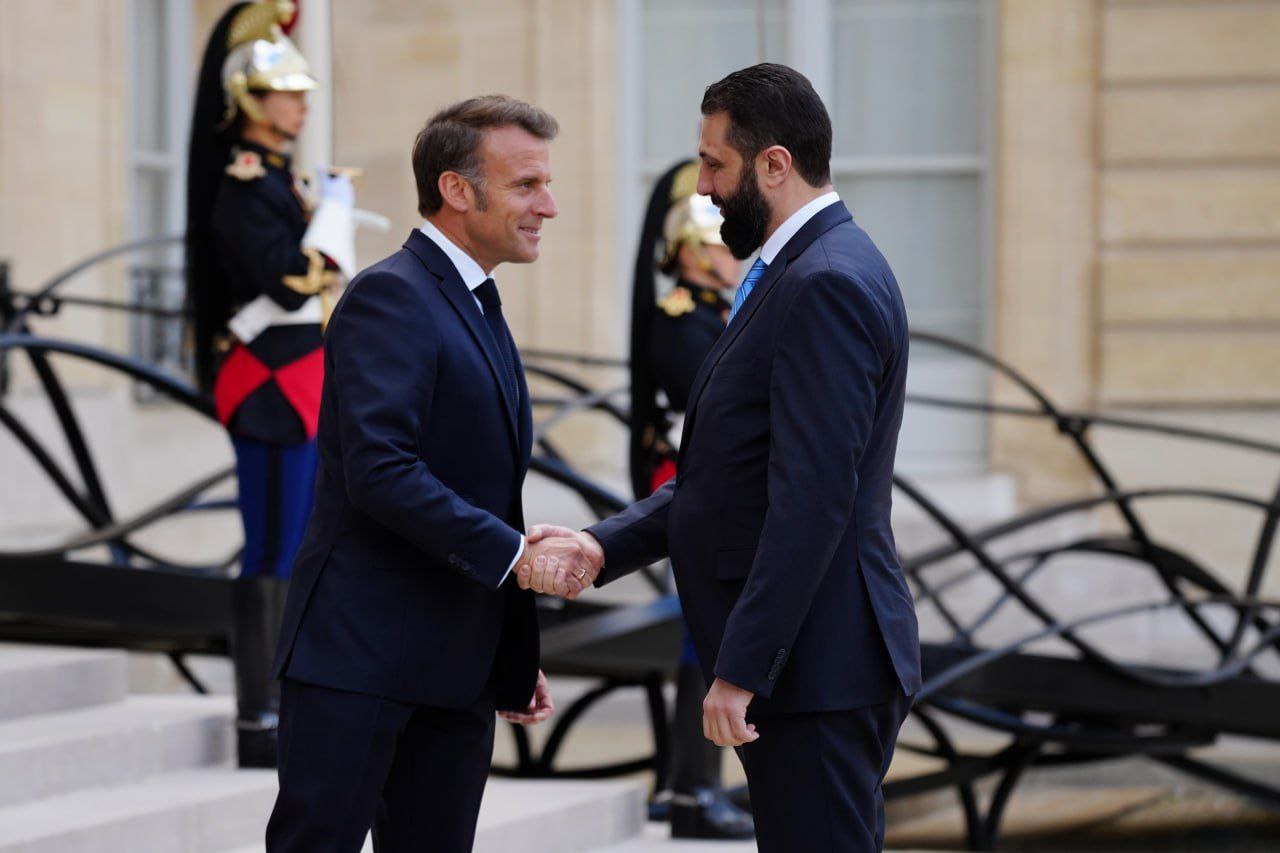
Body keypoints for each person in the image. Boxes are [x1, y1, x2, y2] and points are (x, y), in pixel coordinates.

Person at [521, 63, 921, 852]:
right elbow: (730, 476)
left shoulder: (824, 282)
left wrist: (741, 668)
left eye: (715, 164)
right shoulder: (799, 271)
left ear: (774, 164)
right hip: (812, 662)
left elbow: (811, 498)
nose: (702, 187)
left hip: (817, 665)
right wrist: (602, 544)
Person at [265, 95, 565, 853]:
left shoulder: (474, 299)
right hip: (360, 659)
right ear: (457, 190)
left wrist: (509, 649)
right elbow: (381, 470)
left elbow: (481, 486)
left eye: (545, 184)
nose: (548, 206)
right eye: (526, 185)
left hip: (456, 666)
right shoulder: (392, 293)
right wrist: (515, 557)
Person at [185, 0, 360, 768]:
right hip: (267, 382)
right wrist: (331, 229)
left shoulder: (280, 181)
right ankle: (261, 713)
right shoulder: (243, 182)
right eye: (288, 93)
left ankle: (290, 700)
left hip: (300, 378)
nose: (301, 105)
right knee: (273, 546)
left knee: (302, 542)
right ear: (250, 101)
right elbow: (288, 280)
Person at [630, 160, 753, 839]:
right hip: (690, 482)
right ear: (688, 252)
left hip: (718, 483)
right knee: (705, 629)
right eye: (717, 246)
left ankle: (694, 783)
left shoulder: (720, 314)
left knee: (714, 629)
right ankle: (691, 790)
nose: (731, 257)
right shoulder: (678, 320)